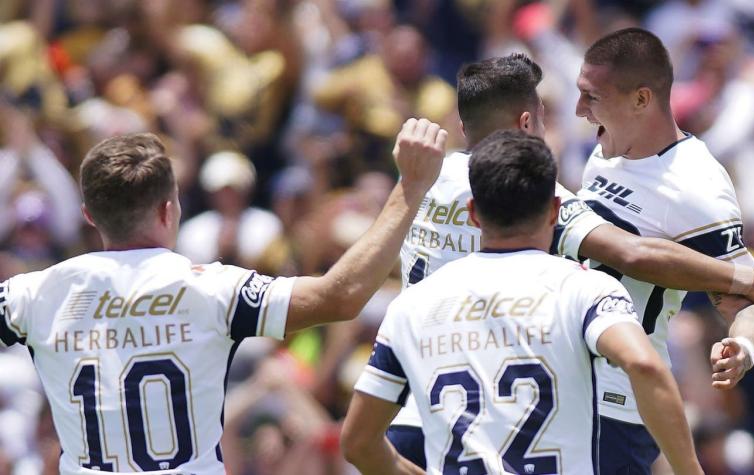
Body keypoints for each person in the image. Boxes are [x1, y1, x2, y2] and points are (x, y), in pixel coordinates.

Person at [387, 52, 754, 471]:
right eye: (547, 116)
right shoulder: (535, 200)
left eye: (590, 98)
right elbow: (630, 254)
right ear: (527, 125)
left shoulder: (422, 180)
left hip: (416, 399)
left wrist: (744, 335)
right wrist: (746, 277)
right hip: (535, 406)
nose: (578, 112)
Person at [0, 119, 446, 475]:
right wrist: (410, 187)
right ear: (169, 209)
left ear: (89, 215)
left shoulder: (32, 294)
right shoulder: (212, 289)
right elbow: (340, 296)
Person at [341, 129, 705, 475]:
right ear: (555, 210)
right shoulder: (586, 288)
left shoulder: (412, 305)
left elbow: (358, 443)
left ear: (473, 213)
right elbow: (644, 365)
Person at [573, 27, 754, 473]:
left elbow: (752, 294)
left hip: (616, 405)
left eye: (592, 97)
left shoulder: (695, 186)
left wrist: (742, 346)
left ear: (641, 99)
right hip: (564, 383)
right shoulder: (604, 152)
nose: (579, 110)